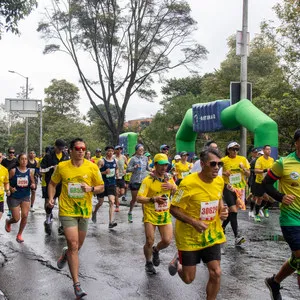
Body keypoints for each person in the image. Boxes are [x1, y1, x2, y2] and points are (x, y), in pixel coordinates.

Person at [168, 148, 228, 300]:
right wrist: (194, 222)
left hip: (211, 234)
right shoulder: (187, 184)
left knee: (216, 272)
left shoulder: (219, 181)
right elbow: (173, 209)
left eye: (219, 164)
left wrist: (222, 210)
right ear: (202, 164)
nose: (216, 168)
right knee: (189, 279)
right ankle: (179, 264)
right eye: (213, 164)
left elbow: (218, 198)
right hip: (189, 236)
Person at [48, 138, 104, 299]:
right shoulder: (62, 167)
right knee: (73, 244)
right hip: (67, 210)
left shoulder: (92, 167)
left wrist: (91, 188)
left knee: (76, 247)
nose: (80, 151)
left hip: (84, 211)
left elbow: (101, 187)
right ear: (70, 150)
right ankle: (76, 284)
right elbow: (52, 184)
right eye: (77, 148)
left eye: (83, 148)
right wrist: (51, 198)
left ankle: (65, 255)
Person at [263, 129, 300, 300]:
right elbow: (266, 183)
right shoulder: (284, 163)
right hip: (291, 218)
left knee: (296, 259)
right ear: (296, 143)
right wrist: (281, 197)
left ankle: (275, 281)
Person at [137, 153, 177, 274]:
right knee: (149, 240)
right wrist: (153, 199)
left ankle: (156, 250)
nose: (164, 168)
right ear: (155, 165)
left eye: (166, 165)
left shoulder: (168, 178)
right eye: (161, 165)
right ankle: (148, 262)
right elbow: (139, 198)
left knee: (167, 240)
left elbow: (178, 190)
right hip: (150, 213)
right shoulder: (148, 180)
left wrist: (172, 186)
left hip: (164, 214)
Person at [221, 141, 250, 246]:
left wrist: (243, 168)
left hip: (240, 189)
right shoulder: (223, 160)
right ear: (228, 150)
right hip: (228, 187)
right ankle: (237, 236)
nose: (235, 151)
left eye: (237, 149)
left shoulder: (243, 159)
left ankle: (222, 227)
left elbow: (248, 173)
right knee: (233, 210)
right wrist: (224, 173)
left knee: (232, 212)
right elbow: (217, 173)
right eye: (233, 149)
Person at [40, 139, 69, 235]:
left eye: (62, 148)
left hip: (62, 183)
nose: (60, 150)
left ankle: (61, 225)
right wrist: (52, 168)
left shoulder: (65, 156)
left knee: (62, 204)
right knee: (49, 203)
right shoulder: (48, 156)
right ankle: (48, 217)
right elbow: (41, 169)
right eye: (59, 148)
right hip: (51, 183)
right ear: (55, 146)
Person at [5, 153, 36, 243]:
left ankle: (19, 235)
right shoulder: (13, 171)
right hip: (14, 197)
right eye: (22, 159)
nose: (24, 161)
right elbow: (6, 182)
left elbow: (32, 182)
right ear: (18, 160)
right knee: (16, 218)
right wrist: (10, 188)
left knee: (25, 215)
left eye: (25, 159)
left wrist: (33, 185)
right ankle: (8, 222)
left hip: (25, 196)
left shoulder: (30, 171)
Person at [92, 146, 118, 228]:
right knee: (100, 202)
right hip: (102, 184)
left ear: (113, 152)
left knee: (111, 201)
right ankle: (94, 212)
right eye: (109, 151)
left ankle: (110, 222)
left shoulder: (115, 161)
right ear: (106, 152)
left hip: (112, 183)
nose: (110, 153)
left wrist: (117, 173)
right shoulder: (101, 161)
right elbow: (96, 173)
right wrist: (104, 172)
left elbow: (116, 168)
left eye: (112, 151)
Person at [127, 144, 149, 223]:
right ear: (136, 151)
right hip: (135, 181)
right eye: (140, 150)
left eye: (142, 150)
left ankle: (144, 216)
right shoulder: (133, 159)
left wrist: (153, 170)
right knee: (134, 199)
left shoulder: (145, 158)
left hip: (143, 181)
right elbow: (128, 169)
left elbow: (147, 168)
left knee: (143, 199)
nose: (141, 151)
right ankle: (130, 212)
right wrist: (134, 167)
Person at [253, 145, 274, 222]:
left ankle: (265, 208)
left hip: (268, 182)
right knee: (259, 199)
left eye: (270, 149)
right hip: (259, 182)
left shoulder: (272, 160)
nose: (269, 151)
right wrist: (265, 170)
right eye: (267, 149)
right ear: (264, 150)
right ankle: (257, 215)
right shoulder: (259, 160)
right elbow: (256, 170)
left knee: (271, 200)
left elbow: (272, 170)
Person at [114, 145, 127, 212]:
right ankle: (117, 206)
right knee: (116, 192)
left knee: (122, 192)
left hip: (121, 176)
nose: (119, 150)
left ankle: (115, 199)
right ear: (115, 150)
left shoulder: (124, 157)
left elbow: (128, 166)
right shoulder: (113, 157)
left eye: (120, 149)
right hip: (114, 177)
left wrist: (125, 170)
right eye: (117, 149)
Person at [0, 152, 10, 220]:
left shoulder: (5, 170)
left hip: (0, 195)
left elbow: (6, 182)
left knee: (0, 212)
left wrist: (7, 190)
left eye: (0, 157)